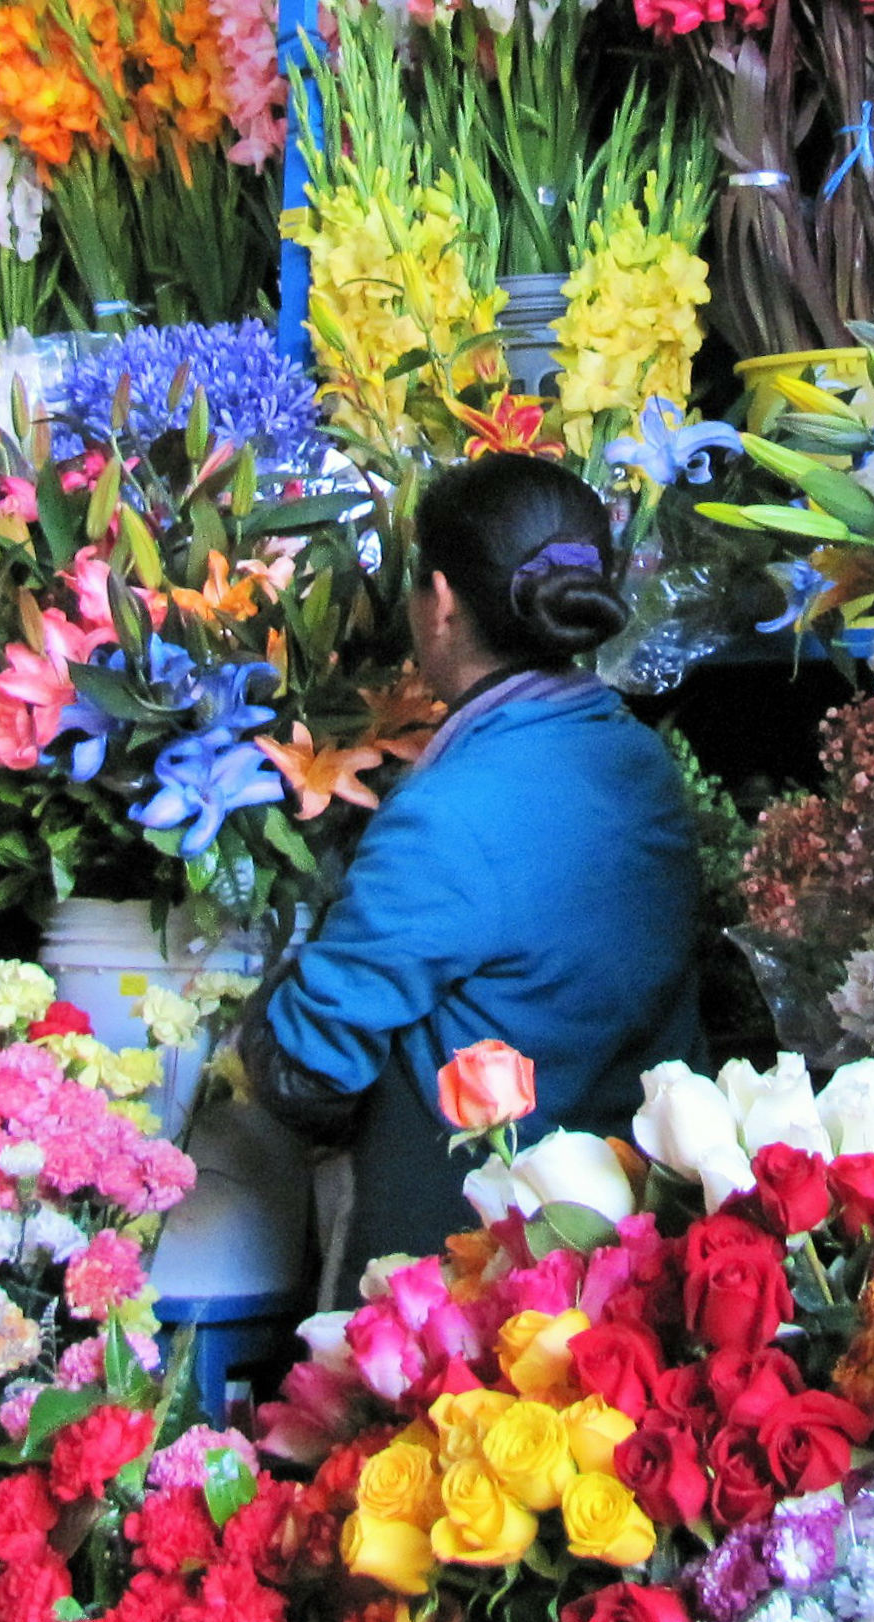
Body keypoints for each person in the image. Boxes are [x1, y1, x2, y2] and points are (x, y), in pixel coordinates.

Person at [248, 453, 703, 1274]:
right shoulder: (644, 765)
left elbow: (307, 1065)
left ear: (443, 603)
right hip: (637, 1260)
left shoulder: (448, 817)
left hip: (474, 1283)